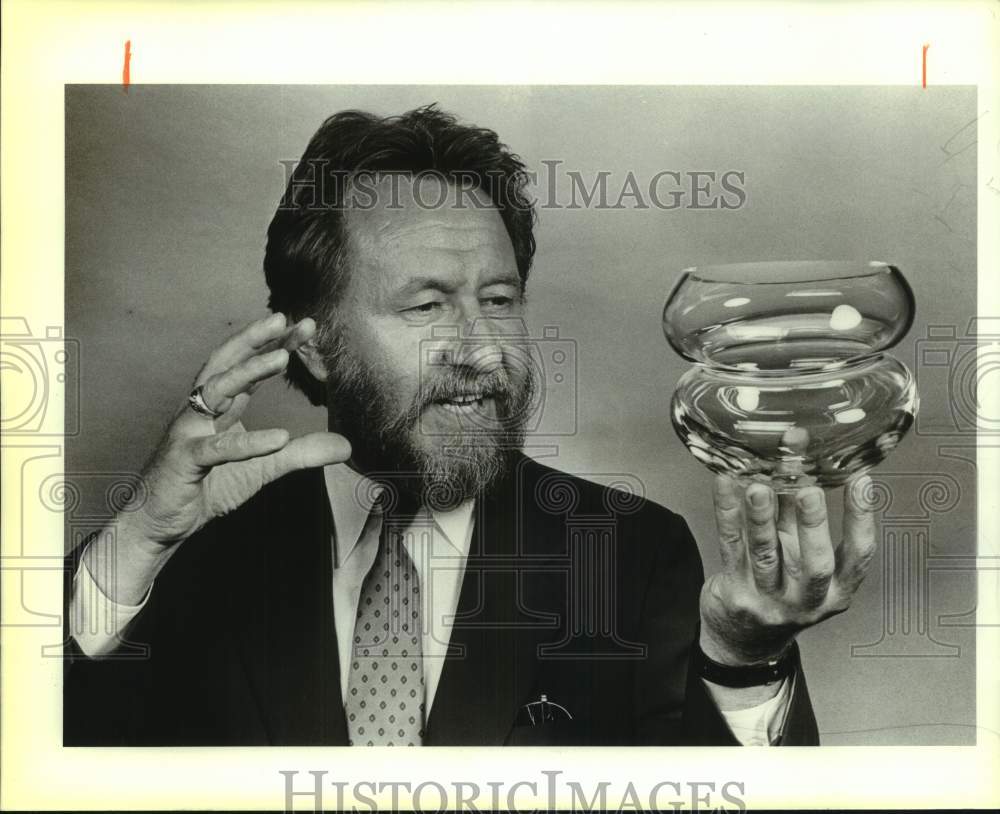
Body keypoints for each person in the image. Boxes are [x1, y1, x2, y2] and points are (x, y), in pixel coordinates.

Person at [64, 105, 876, 747]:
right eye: (425, 306)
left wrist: (741, 662)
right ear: (312, 349)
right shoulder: (192, 556)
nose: (485, 352)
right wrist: (136, 538)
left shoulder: (631, 555)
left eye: (499, 300)